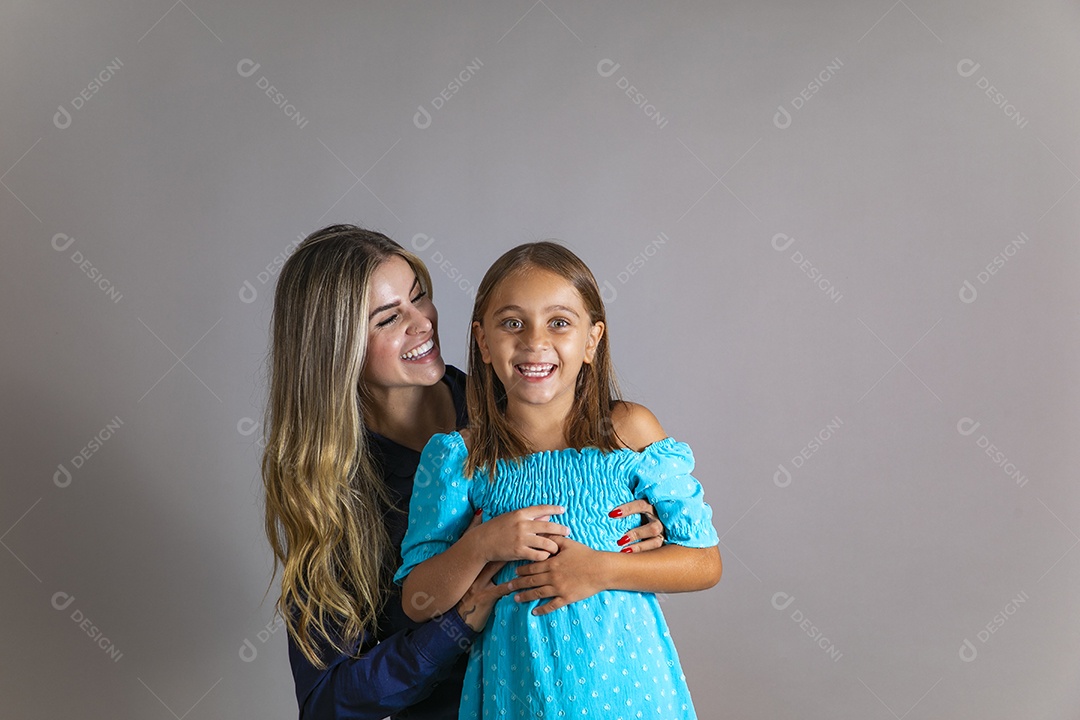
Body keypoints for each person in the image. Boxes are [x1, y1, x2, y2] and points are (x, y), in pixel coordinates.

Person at [260, 225, 666, 719]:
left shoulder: (528, 402)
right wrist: (458, 622)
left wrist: (633, 531)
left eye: (419, 298)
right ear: (333, 349)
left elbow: (636, 555)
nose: (423, 324)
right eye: (389, 319)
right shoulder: (329, 492)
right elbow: (328, 701)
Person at [395, 241, 723, 719]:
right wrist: (481, 545)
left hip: (633, 696)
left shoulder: (629, 432)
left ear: (592, 340)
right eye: (511, 323)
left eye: (560, 322)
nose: (534, 341)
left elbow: (705, 562)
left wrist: (602, 570)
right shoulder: (459, 458)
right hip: (520, 696)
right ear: (483, 342)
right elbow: (417, 601)